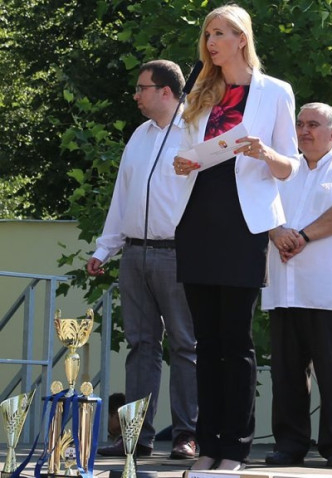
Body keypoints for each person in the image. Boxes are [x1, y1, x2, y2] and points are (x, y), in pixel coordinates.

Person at [171, 4, 299, 472]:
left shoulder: (275, 91)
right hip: (197, 219)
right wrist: (182, 163)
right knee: (204, 343)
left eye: (220, 33)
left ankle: (236, 449)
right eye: (208, 34)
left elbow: (290, 167)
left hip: (243, 223)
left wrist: (265, 152)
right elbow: (185, 155)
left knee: (235, 341)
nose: (211, 42)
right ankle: (208, 446)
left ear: (242, 38)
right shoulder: (198, 91)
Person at [86, 59, 198, 460]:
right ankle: (135, 436)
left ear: (166, 91)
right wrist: (105, 248)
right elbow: (124, 195)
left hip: (179, 253)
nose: (135, 95)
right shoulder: (139, 135)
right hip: (134, 253)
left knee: (185, 346)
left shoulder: (196, 131)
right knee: (140, 346)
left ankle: (187, 435)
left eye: (141, 88)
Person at [261, 103, 332, 468]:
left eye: (313, 124)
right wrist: (276, 232)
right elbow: (261, 208)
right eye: (299, 124)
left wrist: (302, 236)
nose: (303, 130)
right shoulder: (285, 168)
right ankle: (290, 444)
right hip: (285, 290)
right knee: (287, 376)